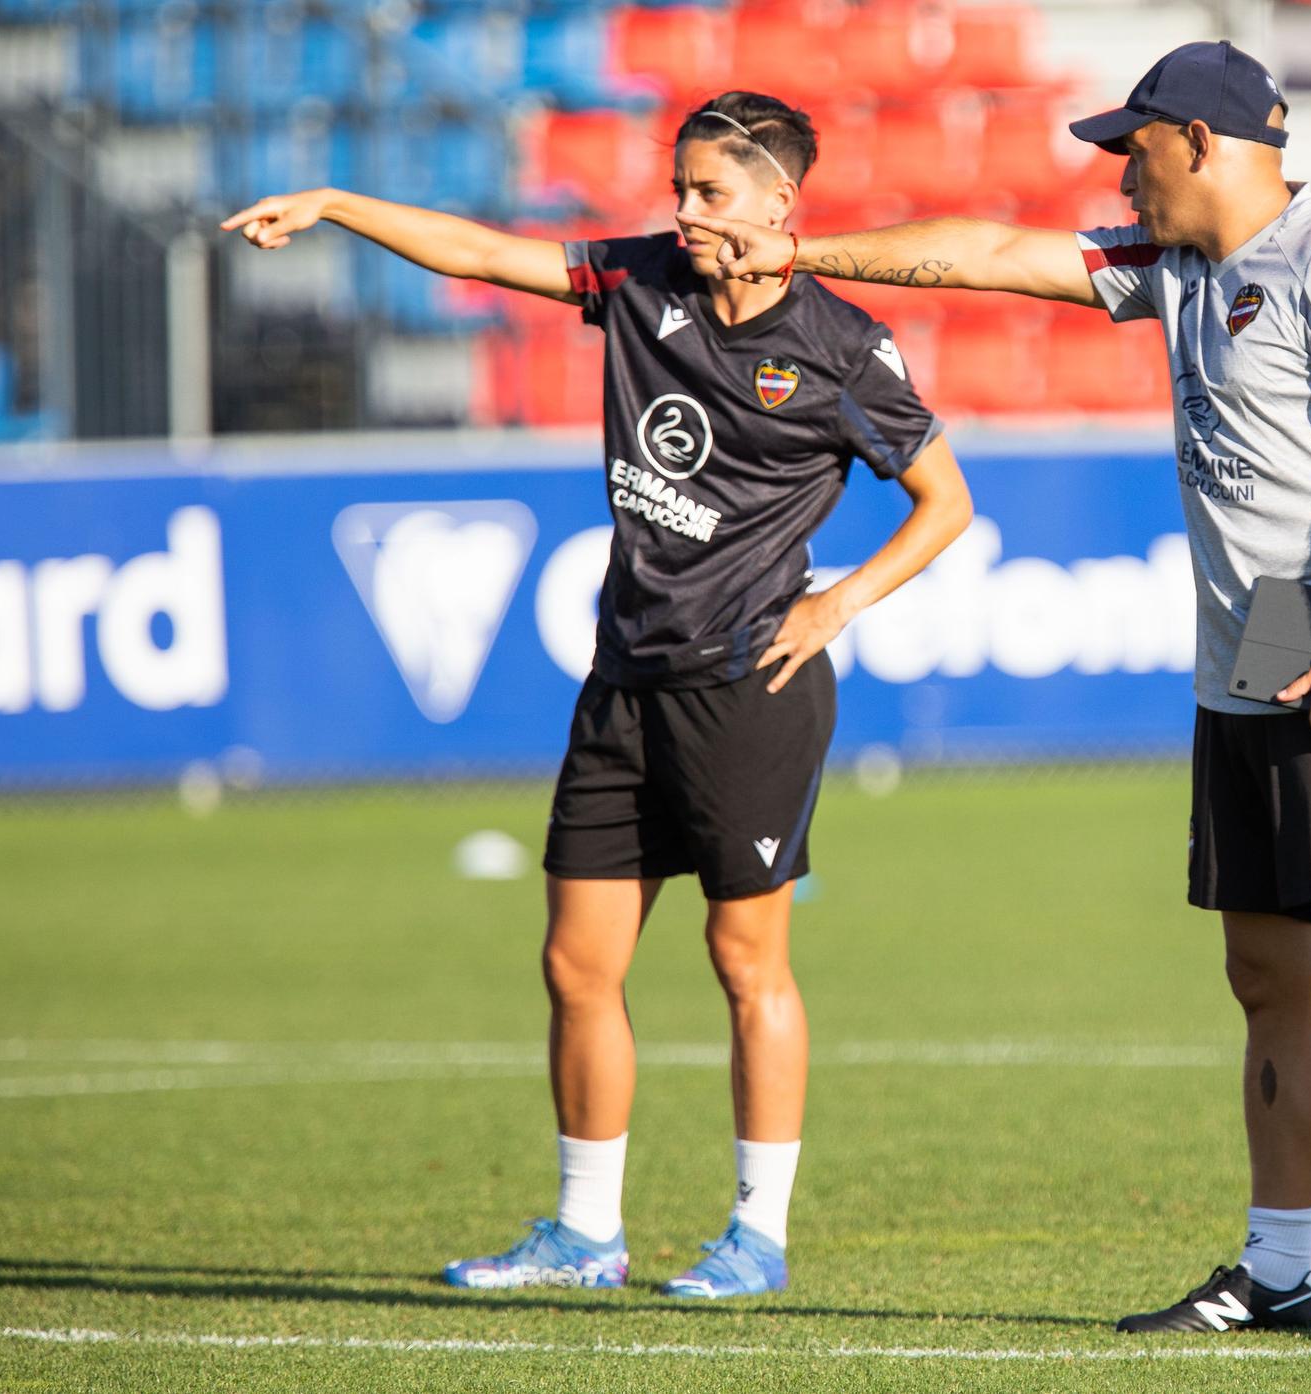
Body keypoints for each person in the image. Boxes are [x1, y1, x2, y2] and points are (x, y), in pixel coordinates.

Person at [681, 43, 1311, 1339]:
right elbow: (989, 253)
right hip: (1245, 652)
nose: (1119, 170)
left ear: (1200, 144)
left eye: (1134, 147)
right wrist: (804, 255)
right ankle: (1277, 1270)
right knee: (1265, 970)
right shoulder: (1176, 270)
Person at [221, 91, 972, 1300]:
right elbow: (478, 251)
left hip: (750, 687)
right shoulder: (637, 283)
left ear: (780, 204)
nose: (682, 212)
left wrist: (834, 606)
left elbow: (946, 501)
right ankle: (584, 1230)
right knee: (577, 963)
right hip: (623, 679)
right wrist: (336, 204)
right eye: (676, 187)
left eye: (708, 192)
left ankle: (758, 1236)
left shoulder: (840, 344)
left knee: (746, 959)